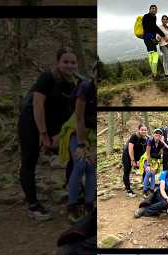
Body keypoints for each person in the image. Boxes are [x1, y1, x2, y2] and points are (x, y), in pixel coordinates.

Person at [18, 47, 78, 221]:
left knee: (75, 155)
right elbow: (37, 105)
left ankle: (74, 197)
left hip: (53, 127)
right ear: (58, 63)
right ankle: (33, 205)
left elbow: (70, 115)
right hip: (31, 122)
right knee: (29, 160)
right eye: (65, 62)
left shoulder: (72, 85)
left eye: (72, 62)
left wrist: (60, 136)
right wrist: (43, 134)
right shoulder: (47, 78)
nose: (69, 65)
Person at [58, 71, 97, 223]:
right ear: (93, 75)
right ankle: (72, 206)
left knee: (91, 166)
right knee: (80, 163)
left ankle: (89, 205)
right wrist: (81, 144)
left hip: (92, 134)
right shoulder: (85, 88)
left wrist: (93, 149)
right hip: (76, 130)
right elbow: (79, 117)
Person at [122, 124, 148, 197]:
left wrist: (140, 161)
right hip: (127, 155)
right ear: (139, 130)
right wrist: (132, 161)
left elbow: (144, 151)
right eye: (142, 130)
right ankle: (128, 190)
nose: (144, 131)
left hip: (138, 157)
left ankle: (145, 187)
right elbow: (130, 149)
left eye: (145, 130)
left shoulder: (146, 138)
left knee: (145, 170)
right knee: (127, 171)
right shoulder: (134, 136)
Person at [142, 4, 166, 79]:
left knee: (152, 55)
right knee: (154, 55)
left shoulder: (154, 17)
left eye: (155, 9)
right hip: (149, 38)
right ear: (149, 9)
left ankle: (154, 74)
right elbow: (148, 27)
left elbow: (155, 27)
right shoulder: (146, 16)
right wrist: (156, 35)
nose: (154, 10)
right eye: (152, 8)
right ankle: (155, 75)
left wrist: (163, 35)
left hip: (151, 38)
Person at [140, 128, 164, 196]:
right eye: (156, 133)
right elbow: (148, 153)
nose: (158, 135)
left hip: (155, 160)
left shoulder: (161, 143)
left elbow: (160, 153)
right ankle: (145, 190)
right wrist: (148, 164)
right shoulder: (150, 141)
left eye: (159, 134)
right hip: (147, 158)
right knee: (148, 173)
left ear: (161, 136)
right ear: (153, 134)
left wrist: (158, 162)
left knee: (153, 174)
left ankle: (152, 189)